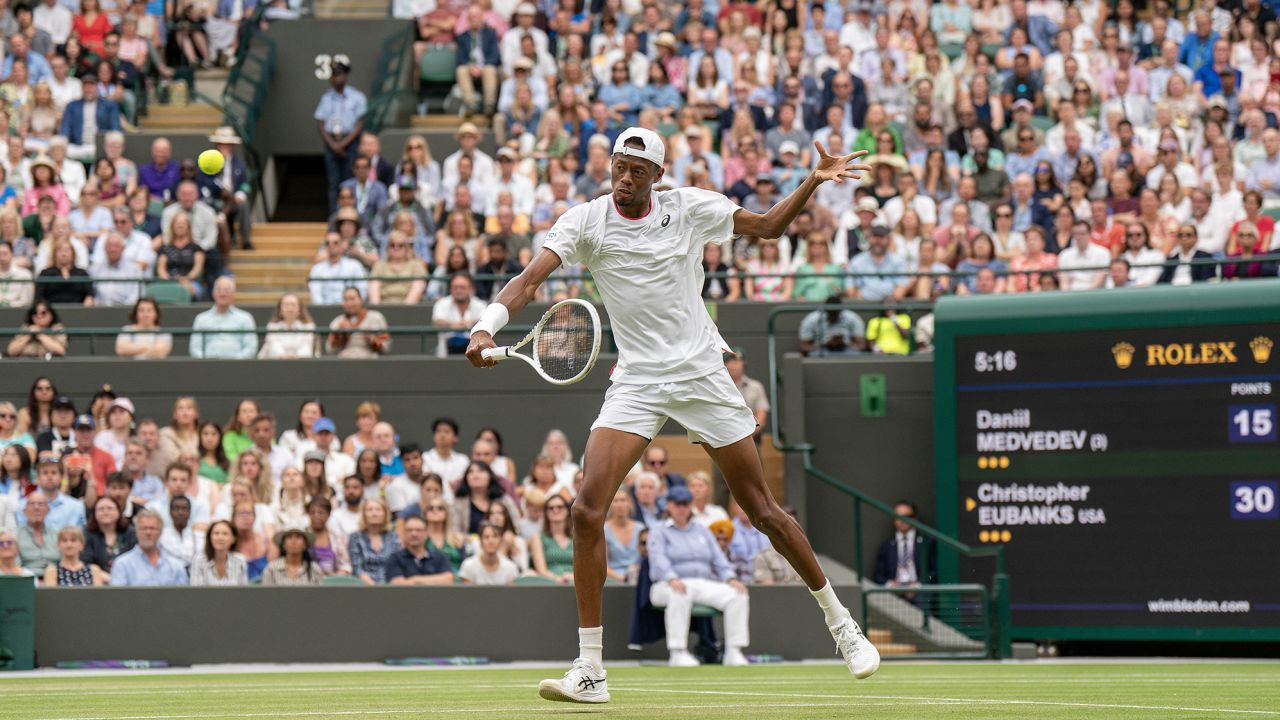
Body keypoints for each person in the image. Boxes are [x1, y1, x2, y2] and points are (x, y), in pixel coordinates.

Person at [469, 126, 878, 701]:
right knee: (587, 510)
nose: (626, 177)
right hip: (637, 379)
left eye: (639, 169)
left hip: (702, 372)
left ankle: (842, 625)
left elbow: (765, 228)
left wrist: (811, 180)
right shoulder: (586, 220)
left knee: (761, 510)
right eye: (619, 165)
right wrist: (487, 326)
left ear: (658, 175)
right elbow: (529, 279)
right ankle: (590, 670)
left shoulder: (690, 209)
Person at [648, 485, 750, 667]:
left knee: (738, 594)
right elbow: (658, 559)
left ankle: (734, 651)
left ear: (690, 506)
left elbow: (719, 559)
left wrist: (731, 578)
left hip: (701, 584)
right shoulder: (658, 529)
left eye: (685, 504)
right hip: (665, 585)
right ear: (668, 506)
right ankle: (678, 652)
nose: (681, 508)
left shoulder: (702, 530)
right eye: (677, 504)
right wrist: (672, 578)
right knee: (680, 593)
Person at [315, 61, 366, 211]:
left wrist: (343, 144)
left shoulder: (357, 96)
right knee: (333, 182)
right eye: (333, 75)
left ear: (345, 76)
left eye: (338, 75)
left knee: (350, 180)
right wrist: (333, 144)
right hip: (331, 142)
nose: (335, 78)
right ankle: (334, 217)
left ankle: (350, 214)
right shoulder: (326, 97)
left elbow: (359, 124)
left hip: (350, 143)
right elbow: (320, 123)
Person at [872, 501, 937, 596]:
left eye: (906, 516)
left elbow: (934, 572)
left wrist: (918, 585)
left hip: (920, 593)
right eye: (897, 516)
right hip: (893, 594)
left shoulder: (927, 542)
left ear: (914, 518)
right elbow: (878, 575)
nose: (901, 520)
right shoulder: (887, 546)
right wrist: (890, 585)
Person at [110, 509, 187, 585]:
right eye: (144, 528)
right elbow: (117, 597)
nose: (148, 532)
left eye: (152, 528)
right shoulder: (122, 564)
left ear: (160, 532)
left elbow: (183, 596)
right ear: (136, 531)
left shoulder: (176, 566)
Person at [190, 277, 258, 358]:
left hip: (239, 368)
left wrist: (235, 362)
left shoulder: (245, 318)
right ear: (213, 293)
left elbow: (251, 348)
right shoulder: (201, 319)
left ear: (234, 293)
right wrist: (206, 362)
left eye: (227, 290)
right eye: (219, 290)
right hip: (207, 368)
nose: (222, 294)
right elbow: (195, 349)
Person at [385, 515, 454, 585]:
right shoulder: (395, 558)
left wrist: (414, 580)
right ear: (404, 533)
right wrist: (434, 580)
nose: (414, 534)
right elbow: (398, 584)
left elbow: (448, 579)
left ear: (427, 533)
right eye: (409, 530)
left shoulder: (440, 557)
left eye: (418, 530)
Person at [432, 271, 487, 357]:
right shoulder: (441, 303)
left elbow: (485, 321)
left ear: (471, 289)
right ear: (450, 289)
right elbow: (437, 320)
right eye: (455, 287)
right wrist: (452, 324)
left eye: (462, 287)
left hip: (475, 353)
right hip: (446, 353)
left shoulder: (480, 305)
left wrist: (471, 323)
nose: (459, 290)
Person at [348, 497, 399, 584]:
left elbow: (396, 565)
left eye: (378, 510)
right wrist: (373, 586)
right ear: (364, 514)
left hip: (389, 584)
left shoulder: (393, 536)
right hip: (363, 585)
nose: (374, 513)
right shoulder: (355, 537)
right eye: (370, 510)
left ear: (385, 514)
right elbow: (357, 568)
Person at [326, 287, 389, 358]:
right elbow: (330, 351)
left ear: (360, 300)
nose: (349, 303)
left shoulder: (376, 318)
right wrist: (341, 336)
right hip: (344, 363)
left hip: (370, 362)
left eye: (352, 299)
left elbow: (385, 347)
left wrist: (371, 339)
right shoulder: (337, 322)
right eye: (346, 300)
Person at [309, 232, 368, 305]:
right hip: (325, 310)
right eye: (328, 243)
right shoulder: (317, 269)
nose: (331, 245)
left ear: (341, 245)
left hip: (351, 309)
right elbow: (316, 296)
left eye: (335, 243)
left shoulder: (354, 265)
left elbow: (362, 291)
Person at [799, 295, 867, 356]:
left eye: (836, 313)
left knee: (854, 354)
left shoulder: (852, 318)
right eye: (831, 313)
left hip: (846, 349)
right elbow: (803, 346)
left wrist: (845, 343)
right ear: (825, 310)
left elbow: (861, 345)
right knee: (816, 354)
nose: (833, 316)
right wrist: (825, 344)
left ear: (841, 310)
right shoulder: (812, 319)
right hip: (821, 349)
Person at [529, 494, 574, 584]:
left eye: (560, 507)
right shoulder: (538, 537)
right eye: (551, 508)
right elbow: (541, 570)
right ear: (546, 512)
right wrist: (557, 578)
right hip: (549, 583)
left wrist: (574, 577)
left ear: (567, 510)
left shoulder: (578, 538)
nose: (555, 510)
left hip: (577, 582)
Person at [189, 518, 248, 585]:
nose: (220, 537)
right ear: (210, 537)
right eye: (216, 533)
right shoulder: (199, 560)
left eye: (225, 534)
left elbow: (243, 592)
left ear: (233, 539)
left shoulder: (240, 560)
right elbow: (196, 592)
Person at [258, 293, 317, 359]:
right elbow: (274, 347)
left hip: (301, 364)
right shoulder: (272, 326)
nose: (290, 309)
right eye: (286, 305)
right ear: (280, 310)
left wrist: (295, 357)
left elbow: (307, 348)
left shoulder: (309, 326)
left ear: (300, 310)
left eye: (293, 305)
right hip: (274, 364)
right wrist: (284, 356)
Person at [16, 491, 59, 574]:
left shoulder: (56, 535)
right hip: (26, 579)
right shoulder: (15, 536)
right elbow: (14, 566)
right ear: (24, 511)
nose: (36, 508)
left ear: (48, 511)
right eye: (31, 504)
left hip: (55, 581)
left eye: (41, 504)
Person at [603, 490, 641, 582]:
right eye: (616, 501)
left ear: (630, 504)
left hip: (638, 575)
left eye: (623, 500)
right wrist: (623, 578)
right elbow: (603, 566)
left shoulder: (640, 529)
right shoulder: (604, 530)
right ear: (610, 504)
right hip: (613, 577)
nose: (620, 504)